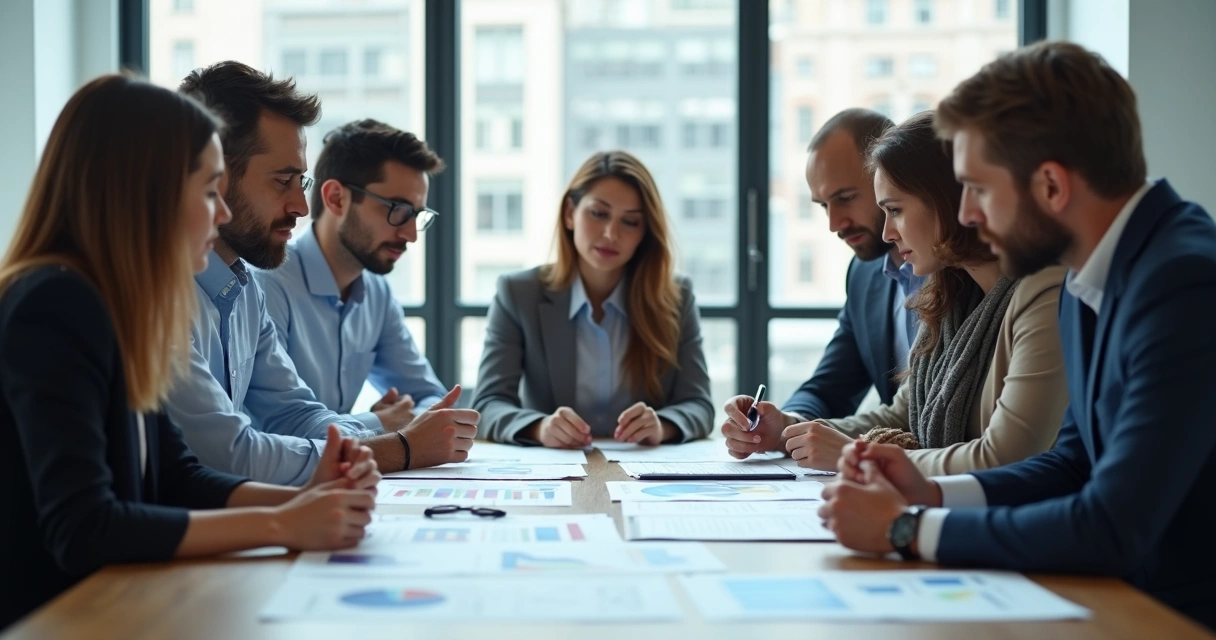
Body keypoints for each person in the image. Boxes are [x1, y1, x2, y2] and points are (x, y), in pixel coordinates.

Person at [818, 41, 1216, 630]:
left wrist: (905, 529)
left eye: (978, 188)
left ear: (1051, 186)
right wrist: (927, 493)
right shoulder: (1094, 268)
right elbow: (1072, 462)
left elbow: (1113, 525)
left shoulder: (1183, 281)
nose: (969, 215)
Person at [0, 76, 380, 630]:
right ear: (144, 193)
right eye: (208, 192)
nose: (221, 215)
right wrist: (282, 526)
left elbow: (177, 477)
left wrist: (303, 496)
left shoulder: (116, 304)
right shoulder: (57, 303)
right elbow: (84, 526)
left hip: (122, 605)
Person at [166, 61, 475, 485]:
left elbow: (297, 415)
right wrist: (398, 444)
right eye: (282, 180)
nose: (300, 207)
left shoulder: (242, 288)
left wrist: (393, 433)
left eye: (301, 182)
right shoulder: (167, 297)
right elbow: (230, 453)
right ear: (216, 175)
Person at [781, 112, 1068, 474]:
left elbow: (1005, 458)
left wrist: (854, 456)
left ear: (949, 201)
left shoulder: (1044, 294)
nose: (888, 233)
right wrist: (788, 432)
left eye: (895, 210)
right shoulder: (953, 296)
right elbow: (902, 413)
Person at [255, 119, 472, 454]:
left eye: (418, 215)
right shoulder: (268, 284)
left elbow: (430, 397)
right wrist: (378, 425)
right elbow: (279, 429)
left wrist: (399, 421)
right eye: (398, 210)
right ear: (337, 199)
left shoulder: (376, 293)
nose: (411, 234)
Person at [720, 109, 927, 459]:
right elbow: (830, 386)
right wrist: (784, 422)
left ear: (889, 179)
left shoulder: (962, 273)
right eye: (822, 205)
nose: (834, 224)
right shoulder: (864, 275)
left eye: (845, 198)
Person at [473, 150, 713, 448]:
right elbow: (487, 404)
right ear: (570, 213)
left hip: (641, 472)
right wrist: (540, 427)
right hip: (556, 471)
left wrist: (662, 426)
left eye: (631, 222)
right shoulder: (518, 293)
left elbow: (699, 405)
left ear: (645, 233)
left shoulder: (676, 296)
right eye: (598, 214)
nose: (611, 234)